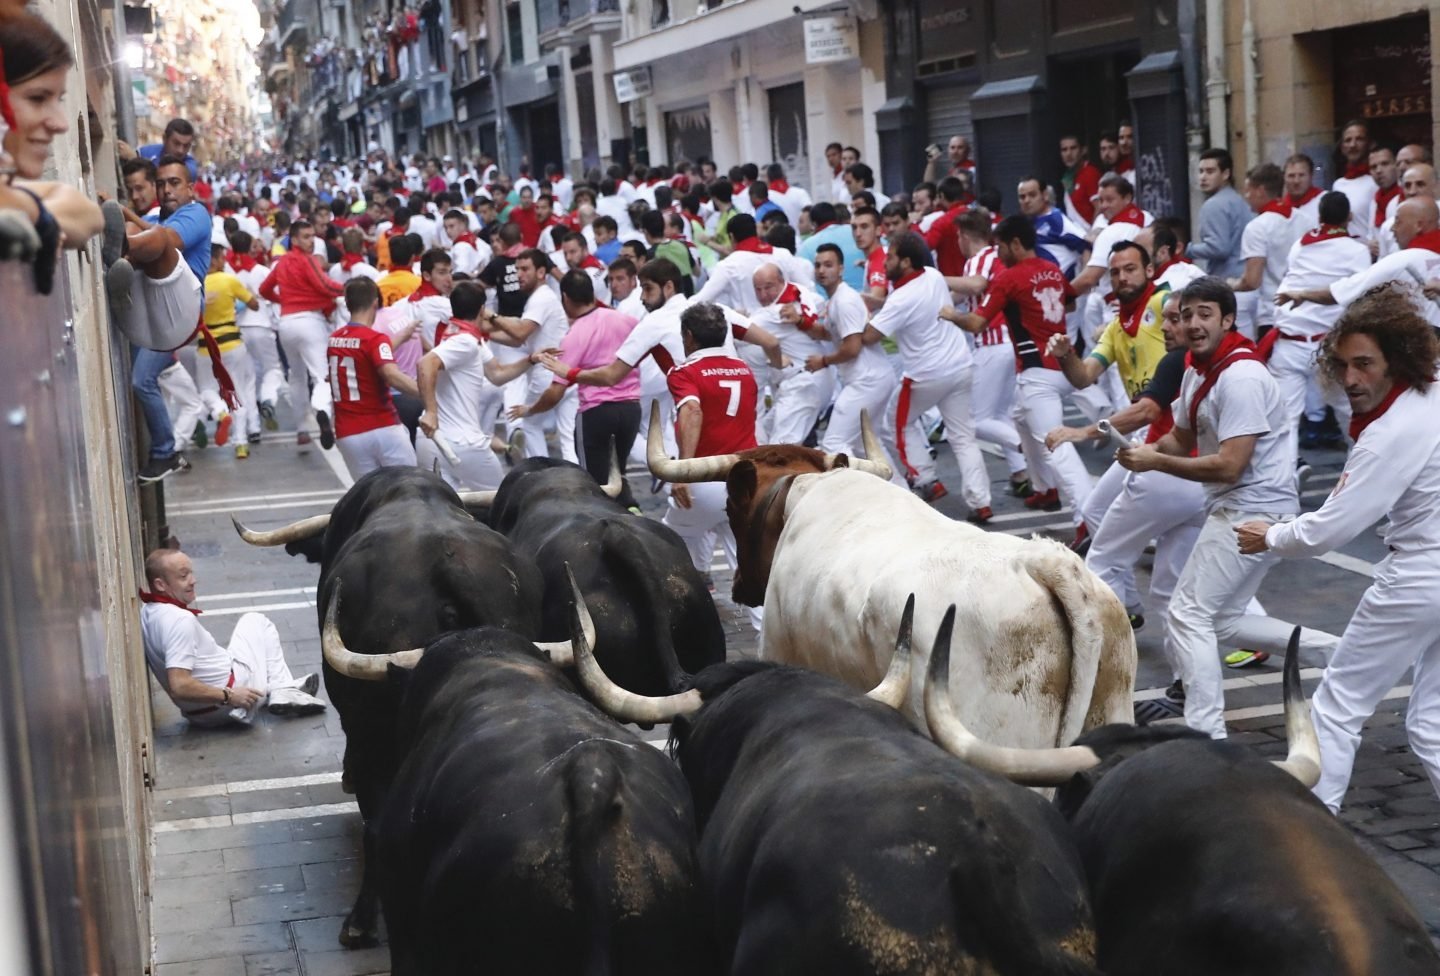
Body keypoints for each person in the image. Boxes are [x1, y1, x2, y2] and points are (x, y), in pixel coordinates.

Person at [1235, 287, 1440, 812]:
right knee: (1431, 721)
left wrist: (1271, 535)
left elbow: (1329, 530)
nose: (1351, 379)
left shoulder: (1390, 433)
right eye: (1343, 365)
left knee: (1335, 708)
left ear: (1397, 359)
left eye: (1364, 364)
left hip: (1420, 577)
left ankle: (1316, 845)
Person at [1116, 277, 1339, 739]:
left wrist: (1155, 460)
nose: (1193, 324)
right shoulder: (1199, 369)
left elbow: (1231, 466)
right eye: (1185, 315)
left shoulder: (1239, 376)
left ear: (1228, 320)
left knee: (1187, 615)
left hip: (1251, 508)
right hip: (1244, 505)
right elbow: (1182, 435)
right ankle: (1344, 654)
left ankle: (1207, 736)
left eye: (1204, 314)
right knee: (1225, 620)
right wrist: (1145, 448)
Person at [949, 216, 1089, 522]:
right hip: (1064, 365)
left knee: (1057, 445)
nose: (997, 253)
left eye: (1000, 246)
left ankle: (1088, 518)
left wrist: (948, 314)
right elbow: (1070, 304)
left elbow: (976, 323)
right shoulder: (1052, 269)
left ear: (1014, 244)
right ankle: (1045, 489)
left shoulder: (1010, 278)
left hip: (1038, 373)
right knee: (1021, 420)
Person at [1046, 240, 1169, 547]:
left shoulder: (1163, 303)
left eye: (1130, 269)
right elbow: (1083, 376)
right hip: (1145, 432)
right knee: (1095, 511)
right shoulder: (1116, 327)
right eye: (1115, 272)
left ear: (1150, 270)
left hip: (1174, 433)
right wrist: (1065, 355)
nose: (1122, 277)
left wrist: (1081, 432)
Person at [863, 232, 992, 518]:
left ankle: (925, 480)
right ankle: (980, 501)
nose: (884, 263)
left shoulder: (900, 298)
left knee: (894, 426)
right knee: (963, 437)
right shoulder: (932, 275)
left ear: (906, 262)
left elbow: (869, 336)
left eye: (891, 257)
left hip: (925, 376)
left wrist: (859, 317)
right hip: (960, 366)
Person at [660, 302, 762, 629]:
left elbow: (692, 412)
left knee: (666, 546)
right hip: (746, 480)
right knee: (746, 564)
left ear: (688, 337)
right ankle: (769, 640)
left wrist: (682, 472)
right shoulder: (744, 370)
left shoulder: (684, 372)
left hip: (705, 480)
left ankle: (681, 624)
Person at [141, 549, 325, 727]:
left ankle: (277, 688)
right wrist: (230, 696)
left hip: (199, 715)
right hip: (231, 701)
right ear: (160, 585)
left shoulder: (148, 612)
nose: (193, 580)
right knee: (256, 621)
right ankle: (283, 689)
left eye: (191, 573)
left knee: (248, 640)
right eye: (183, 576)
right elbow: (179, 685)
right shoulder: (180, 621)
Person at [509, 271, 642, 507]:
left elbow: (555, 393)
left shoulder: (575, 335)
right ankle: (632, 510)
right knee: (618, 473)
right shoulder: (626, 320)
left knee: (595, 483)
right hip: (631, 411)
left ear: (566, 298)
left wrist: (529, 410)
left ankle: (612, 525)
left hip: (596, 414)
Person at [1266, 192, 1371, 459]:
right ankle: (1360, 475)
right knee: (1350, 413)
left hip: (1289, 343)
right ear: (1349, 218)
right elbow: (1360, 298)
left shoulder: (1300, 244)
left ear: (1320, 217)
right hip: (1330, 347)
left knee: (1284, 422)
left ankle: (1284, 484)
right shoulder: (1358, 251)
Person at [417, 281, 535, 489]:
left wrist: (531, 360)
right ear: (482, 309)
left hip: (432, 442)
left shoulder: (464, 337)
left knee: (445, 513)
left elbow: (497, 374)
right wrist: (431, 412)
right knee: (502, 504)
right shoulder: (465, 342)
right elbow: (426, 363)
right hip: (463, 445)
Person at [809, 243, 897, 467]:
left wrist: (823, 361)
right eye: (818, 265)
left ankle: (859, 495)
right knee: (865, 446)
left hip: (867, 381)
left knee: (834, 443)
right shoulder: (837, 299)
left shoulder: (844, 301)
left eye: (828, 265)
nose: (821, 270)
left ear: (841, 269)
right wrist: (800, 322)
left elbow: (852, 347)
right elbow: (831, 334)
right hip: (873, 378)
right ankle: (898, 495)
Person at [259, 219, 345, 448]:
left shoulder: (282, 262)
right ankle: (322, 410)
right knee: (322, 375)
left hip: (286, 323)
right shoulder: (307, 260)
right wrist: (350, 288)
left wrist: (283, 301)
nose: (310, 241)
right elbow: (325, 286)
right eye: (305, 237)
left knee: (296, 377)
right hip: (310, 321)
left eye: (312, 236)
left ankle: (301, 428)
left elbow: (264, 289)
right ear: (294, 239)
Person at [481, 248, 572, 460]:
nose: (519, 274)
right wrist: (485, 332)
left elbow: (520, 333)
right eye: (517, 269)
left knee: (529, 423)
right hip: (561, 373)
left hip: (547, 374)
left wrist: (491, 316)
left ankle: (542, 475)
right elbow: (518, 338)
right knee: (566, 436)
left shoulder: (542, 298)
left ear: (541, 272)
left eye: (524, 269)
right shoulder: (540, 297)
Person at [327, 277, 421, 478]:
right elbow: (391, 374)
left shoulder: (335, 340)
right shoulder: (376, 339)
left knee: (370, 498)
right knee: (409, 488)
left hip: (348, 433)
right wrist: (426, 393)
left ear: (347, 304)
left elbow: (364, 359)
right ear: (375, 302)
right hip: (382, 427)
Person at [199, 244, 257, 457]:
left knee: (206, 389)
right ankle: (241, 444)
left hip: (206, 345)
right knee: (237, 392)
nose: (225, 262)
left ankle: (219, 411)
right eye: (222, 258)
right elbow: (254, 304)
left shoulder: (195, 284)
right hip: (232, 344)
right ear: (213, 260)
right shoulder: (229, 280)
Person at [229, 230, 284, 442]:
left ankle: (252, 427)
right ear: (250, 247)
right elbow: (273, 298)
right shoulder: (261, 271)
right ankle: (268, 398)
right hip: (261, 326)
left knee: (246, 380)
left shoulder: (230, 272)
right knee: (273, 369)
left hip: (239, 329)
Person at [1231, 162, 1297, 339]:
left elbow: (1252, 281)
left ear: (1260, 190)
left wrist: (1230, 285)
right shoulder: (1305, 219)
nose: (1246, 196)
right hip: (1304, 310)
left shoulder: (1257, 227)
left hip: (1272, 315)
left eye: (1248, 190)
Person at [1187, 148, 1251, 279]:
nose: (1203, 177)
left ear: (1226, 174)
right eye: (1201, 171)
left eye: (1210, 171)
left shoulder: (1213, 204)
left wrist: (1188, 250)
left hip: (1228, 281)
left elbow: (1218, 248)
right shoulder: (1239, 200)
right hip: (1245, 278)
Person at [1331, 120, 1378, 238]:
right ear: (1342, 147)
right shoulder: (1338, 185)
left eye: (1359, 139)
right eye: (1348, 140)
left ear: (1370, 144)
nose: (1353, 145)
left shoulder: (1377, 181)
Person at [1058, 134, 1101, 229]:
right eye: (1064, 150)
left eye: (1073, 148)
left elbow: (1099, 207)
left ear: (1083, 150)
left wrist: (1093, 233)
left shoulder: (1090, 173)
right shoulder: (1067, 177)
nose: (1068, 154)